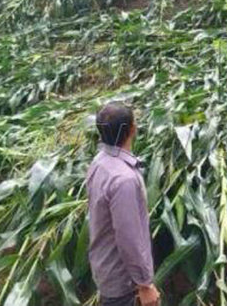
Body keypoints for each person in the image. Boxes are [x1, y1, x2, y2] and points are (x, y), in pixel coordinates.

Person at [86, 102, 161, 306]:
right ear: (132, 130)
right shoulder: (124, 180)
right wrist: (145, 285)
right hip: (124, 284)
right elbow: (128, 237)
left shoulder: (100, 162)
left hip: (106, 270)